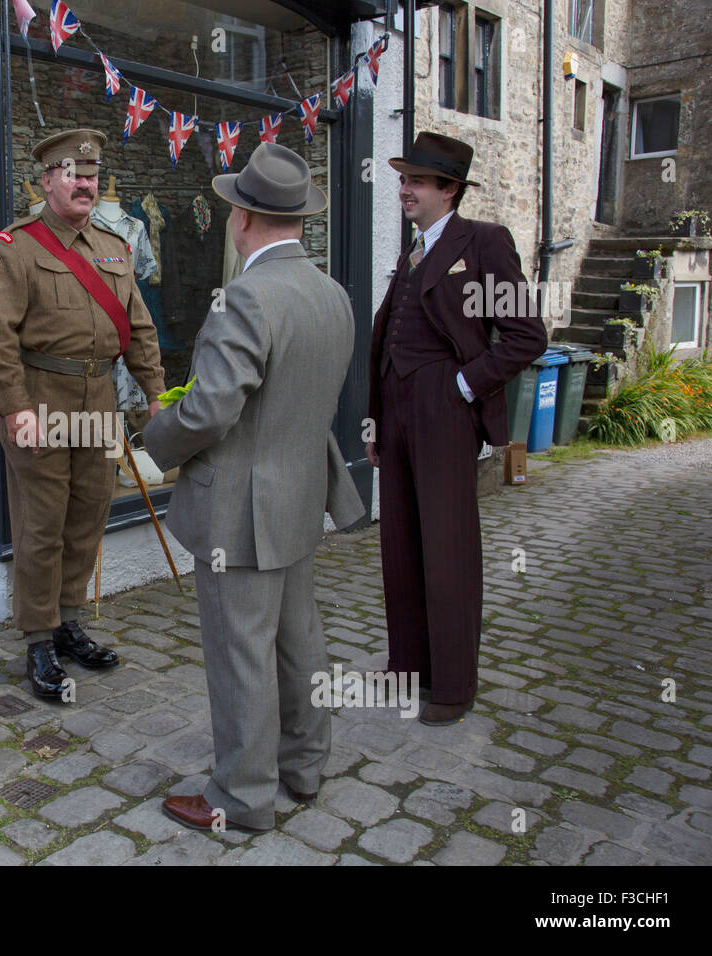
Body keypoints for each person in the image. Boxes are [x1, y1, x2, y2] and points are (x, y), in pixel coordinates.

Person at [142, 143, 364, 832]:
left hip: (240, 508)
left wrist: (157, 437)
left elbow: (210, 411)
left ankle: (240, 798)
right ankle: (303, 768)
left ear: (242, 216)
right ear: (297, 218)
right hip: (300, 498)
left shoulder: (245, 296)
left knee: (241, 655)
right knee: (299, 641)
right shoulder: (332, 294)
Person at [366, 132, 547, 726]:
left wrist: (463, 388)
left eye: (416, 181)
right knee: (400, 546)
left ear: (450, 190)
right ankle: (407, 668)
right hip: (395, 414)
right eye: (402, 178)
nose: (404, 189)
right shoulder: (414, 248)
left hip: (444, 413)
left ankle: (452, 684)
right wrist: (375, 421)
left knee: (447, 549)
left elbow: (526, 336)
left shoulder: (485, 242)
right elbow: (390, 334)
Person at [0, 129, 165, 700]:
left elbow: (138, 328)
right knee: (42, 522)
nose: (85, 183)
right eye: (72, 174)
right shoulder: (15, 247)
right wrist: (14, 409)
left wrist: (156, 393)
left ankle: (68, 620)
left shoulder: (114, 246)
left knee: (89, 514)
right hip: (41, 398)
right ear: (47, 181)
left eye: (91, 174)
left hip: (99, 399)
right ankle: (38, 637)